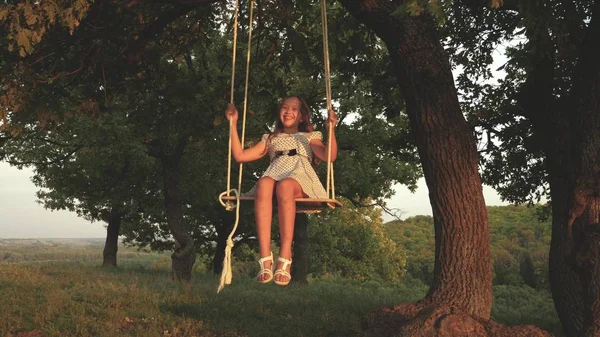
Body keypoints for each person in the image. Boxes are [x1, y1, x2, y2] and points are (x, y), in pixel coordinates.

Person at [225, 95, 338, 286]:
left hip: (300, 179)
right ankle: (265, 257)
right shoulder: (270, 139)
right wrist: (233, 124)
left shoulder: (310, 137)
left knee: (285, 185)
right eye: (285, 108)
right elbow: (240, 155)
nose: (288, 112)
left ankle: (285, 255)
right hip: (275, 175)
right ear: (280, 113)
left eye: (294, 109)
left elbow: (329, 156)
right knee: (264, 183)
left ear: (302, 116)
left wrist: (331, 130)